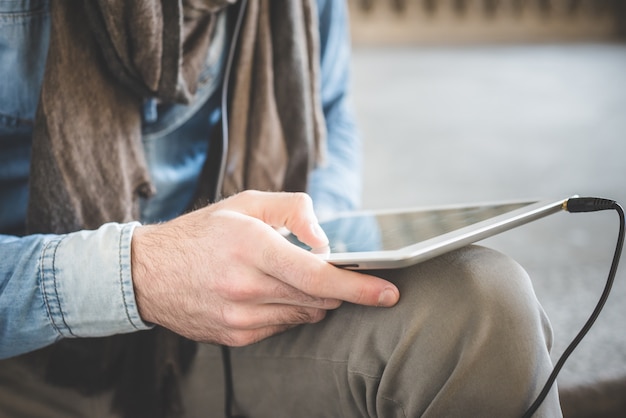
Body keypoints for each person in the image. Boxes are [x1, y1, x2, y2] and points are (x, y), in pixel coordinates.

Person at [0, 0, 562, 417]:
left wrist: (317, 240)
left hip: (224, 323)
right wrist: (140, 273)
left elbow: (331, 112)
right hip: (32, 349)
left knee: (486, 308)